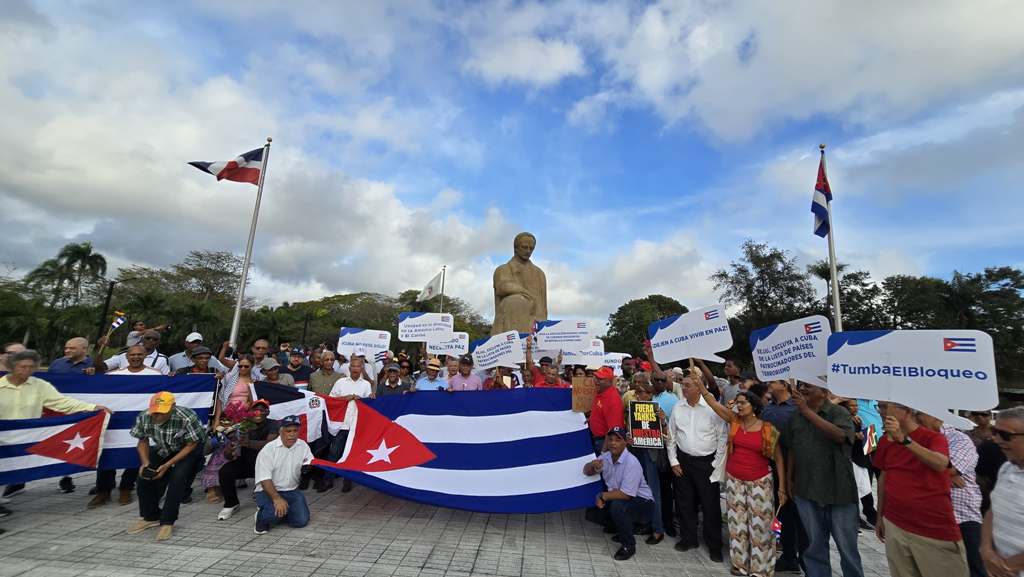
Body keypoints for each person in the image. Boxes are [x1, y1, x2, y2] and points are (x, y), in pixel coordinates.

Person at [693, 371, 787, 577]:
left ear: (754, 406)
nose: (739, 405)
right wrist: (699, 384)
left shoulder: (767, 428)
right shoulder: (733, 421)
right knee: (737, 524)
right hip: (735, 480)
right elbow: (712, 402)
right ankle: (740, 565)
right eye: (738, 402)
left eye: (744, 402)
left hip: (760, 481)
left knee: (760, 526)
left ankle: (760, 569)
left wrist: (782, 487)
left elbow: (779, 458)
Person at [0, 350, 110, 517]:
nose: (27, 371)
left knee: (7, 472)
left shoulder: (40, 385)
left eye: (31, 367)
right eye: (23, 367)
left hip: (24, 438)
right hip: (2, 435)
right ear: (12, 367)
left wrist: (93, 407)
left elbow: (62, 403)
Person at [873, 402, 967, 577]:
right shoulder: (885, 440)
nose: (880, 411)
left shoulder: (933, 438)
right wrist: (880, 517)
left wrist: (904, 440)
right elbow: (883, 479)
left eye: (886, 406)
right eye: (879, 406)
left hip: (932, 529)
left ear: (907, 410)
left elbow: (940, 463)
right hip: (895, 524)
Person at [781, 382, 863, 577]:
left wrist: (807, 412)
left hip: (839, 490)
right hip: (806, 489)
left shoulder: (839, 413)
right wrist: (790, 479)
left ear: (824, 392)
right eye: (801, 386)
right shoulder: (796, 417)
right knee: (814, 546)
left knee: (847, 549)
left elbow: (841, 436)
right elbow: (792, 448)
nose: (802, 390)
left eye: (808, 386)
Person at [665, 369, 728, 562]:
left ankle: (714, 545)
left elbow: (722, 437)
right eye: (683, 385)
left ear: (700, 387)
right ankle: (688, 538)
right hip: (683, 461)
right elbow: (671, 436)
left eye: (688, 385)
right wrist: (674, 461)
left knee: (710, 506)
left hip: (706, 463)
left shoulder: (712, 408)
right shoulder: (678, 407)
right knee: (685, 502)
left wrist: (716, 464)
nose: (683, 388)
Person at [90, 345, 162, 509]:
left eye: (139, 354)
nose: (136, 357)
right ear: (127, 356)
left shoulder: (155, 375)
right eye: (132, 355)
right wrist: (91, 376)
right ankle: (103, 490)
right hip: (116, 423)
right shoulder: (115, 375)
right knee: (107, 453)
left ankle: (126, 488)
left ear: (145, 356)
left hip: (141, 422)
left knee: (135, 454)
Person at [126, 391, 205, 541]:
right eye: (154, 412)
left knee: (177, 479)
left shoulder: (187, 417)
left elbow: (191, 444)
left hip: (188, 449)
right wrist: (145, 462)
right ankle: (150, 517)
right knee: (143, 478)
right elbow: (142, 441)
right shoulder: (144, 416)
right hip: (164, 447)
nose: (157, 416)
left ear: (173, 407)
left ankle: (167, 521)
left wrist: (168, 465)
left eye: (162, 412)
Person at [925, 413, 986, 577]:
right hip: (929, 515)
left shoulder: (958, 439)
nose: (914, 417)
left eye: (918, 413)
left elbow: (947, 469)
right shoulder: (916, 439)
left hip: (961, 516)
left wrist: (943, 471)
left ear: (935, 416)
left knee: (973, 568)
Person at [583, 427, 655, 561]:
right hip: (621, 497)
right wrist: (592, 465)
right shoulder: (606, 457)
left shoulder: (631, 462)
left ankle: (629, 545)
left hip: (643, 502)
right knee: (592, 514)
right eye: (610, 439)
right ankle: (622, 528)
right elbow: (586, 471)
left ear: (625, 442)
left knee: (617, 506)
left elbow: (627, 494)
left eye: (618, 440)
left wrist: (602, 496)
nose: (613, 443)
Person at [760, 379, 806, 573]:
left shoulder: (798, 408)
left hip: (797, 468)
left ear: (785, 385)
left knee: (801, 517)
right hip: (772, 465)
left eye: (775, 380)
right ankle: (788, 555)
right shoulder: (768, 409)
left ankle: (805, 558)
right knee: (782, 512)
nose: (769, 382)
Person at [216, 400, 279, 520]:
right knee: (225, 471)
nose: (258, 413)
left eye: (262, 410)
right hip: (248, 463)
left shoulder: (273, 424)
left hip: (268, 466)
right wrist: (230, 449)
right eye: (255, 410)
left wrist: (248, 443)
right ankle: (231, 504)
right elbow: (229, 455)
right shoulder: (243, 425)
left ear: (267, 412)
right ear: (249, 412)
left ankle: (273, 500)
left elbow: (269, 444)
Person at [627, 381, 673, 545]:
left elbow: (667, 434)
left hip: (651, 455)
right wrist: (629, 438)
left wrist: (663, 421)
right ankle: (646, 523)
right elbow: (629, 431)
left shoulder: (657, 410)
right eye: (637, 393)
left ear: (650, 394)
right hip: (636, 453)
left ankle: (658, 529)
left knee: (653, 492)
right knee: (639, 490)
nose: (639, 396)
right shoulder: (632, 409)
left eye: (642, 392)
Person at [47, 337, 94, 494]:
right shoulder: (57, 364)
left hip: (82, 410)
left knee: (74, 442)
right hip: (58, 409)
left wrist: (96, 375)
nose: (67, 351)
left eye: (72, 348)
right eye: (66, 347)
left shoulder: (95, 364)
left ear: (84, 349)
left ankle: (66, 476)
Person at [981, 407, 1024, 577]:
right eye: (995, 431)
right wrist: (986, 550)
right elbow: (993, 511)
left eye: (1005, 435)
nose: (996, 439)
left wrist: (1005, 566)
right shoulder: (1007, 468)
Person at [253, 415, 313, 535]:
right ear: (280, 431)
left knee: (301, 521)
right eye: (288, 431)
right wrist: (277, 499)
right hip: (267, 491)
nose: (292, 434)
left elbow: (309, 462)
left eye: (295, 431)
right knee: (271, 515)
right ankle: (261, 516)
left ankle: (282, 512)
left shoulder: (303, 446)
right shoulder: (268, 450)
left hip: (291, 490)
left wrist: (308, 467)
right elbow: (264, 479)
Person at [326, 356, 374, 493]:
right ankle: (328, 479)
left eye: (358, 366)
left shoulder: (366, 385)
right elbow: (331, 400)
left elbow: (369, 405)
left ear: (362, 368)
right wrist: (345, 398)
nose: (355, 369)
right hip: (341, 424)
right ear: (349, 368)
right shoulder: (340, 382)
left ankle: (347, 481)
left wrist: (368, 399)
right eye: (353, 366)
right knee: (334, 453)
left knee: (351, 455)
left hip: (356, 425)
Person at [93, 330, 169, 375]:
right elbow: (99, 368)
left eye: (155, 339)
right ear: (142, 339)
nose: (151, 341)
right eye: (148, 338)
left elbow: (165, 380)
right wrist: (101, 348)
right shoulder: (123, 355)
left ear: (159, 342)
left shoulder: (162, 359)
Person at [589, 367, 625, 455]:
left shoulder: (612, 400)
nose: (596, 381)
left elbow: (613, 430)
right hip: (597, 439)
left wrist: (603, 452)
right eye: (596, 378)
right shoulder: (601, 392)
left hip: (603, 442)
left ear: (609, 382)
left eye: (600, 379)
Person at [212, 355, 255, 428]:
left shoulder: (256, 380)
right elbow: (220, 399)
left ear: (252, 366)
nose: (243, 368)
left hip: (247, 418)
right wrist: (217, 420)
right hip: (227, 416)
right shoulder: (229, 378)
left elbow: (255, 401)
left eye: (246, 366)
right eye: (240, 366)